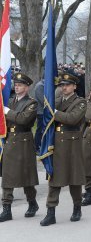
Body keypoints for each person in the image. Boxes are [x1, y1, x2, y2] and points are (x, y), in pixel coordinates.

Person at [40, 73, 87, 226]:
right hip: (57, 144)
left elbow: (72, 119)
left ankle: (77, 207)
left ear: (74, 86)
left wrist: (54, 112)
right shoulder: (56, 101)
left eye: (67, 85)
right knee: (54, 179)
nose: (64, 87)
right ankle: (50, 212)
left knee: (74, 178)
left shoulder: (80, 102)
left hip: (72, 143)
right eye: (62, 85)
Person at [0, 73, 39, 222]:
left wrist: (7, 112)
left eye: (20, 85)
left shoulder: (32, 103)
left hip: (23, 141)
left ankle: (32, 202)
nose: (17, 87)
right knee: (8, 176)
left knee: (26, 176)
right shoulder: (10, 101)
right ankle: (7, 209)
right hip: (10, 140)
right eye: (15, 85)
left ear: (27, 87)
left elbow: (23, 119)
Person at [34, 78, 44, 153]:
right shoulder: (40, 86)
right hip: (41, 111)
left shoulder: (42, 85)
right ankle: (36, 147)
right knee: (40, 130)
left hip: (43, 111)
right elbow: (42, 100)